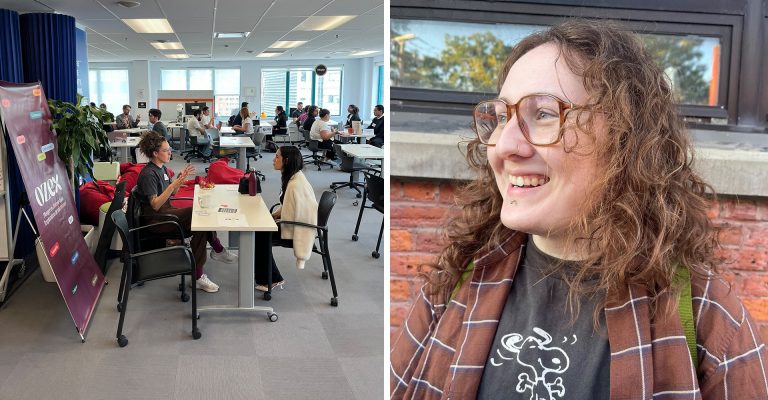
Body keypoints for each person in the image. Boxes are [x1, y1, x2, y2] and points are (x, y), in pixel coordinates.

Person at [390, 20, 768, 399]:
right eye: (502, 116)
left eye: (543, 114)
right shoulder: (457, 281)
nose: (505, 145)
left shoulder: (706, 317)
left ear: (626, 141)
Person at [135, 132, 237, 292]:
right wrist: (172, 184)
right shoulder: (148, 174)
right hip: (157, 220)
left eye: (169, 149)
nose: (170, 152)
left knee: (201, 220)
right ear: (155, 153)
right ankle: (214, 252)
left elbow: (172, 195)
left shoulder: (161, 169)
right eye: (166, 150)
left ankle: (204, 267)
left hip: (167, 212)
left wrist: (179, 181)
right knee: (199, 216)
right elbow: (155, 205)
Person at [254, 146, 317, 292]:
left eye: (277, 157)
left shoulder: (295, 184)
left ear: (286, 161)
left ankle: (272, 279)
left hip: (299, 230)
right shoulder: (295, 177)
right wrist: (276, 215)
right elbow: (290, 205)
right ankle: (265, 273)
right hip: (296, 224)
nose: (273, 160)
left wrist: (276, 221)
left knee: (259, 234)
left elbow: (302, 215)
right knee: (260, 229)